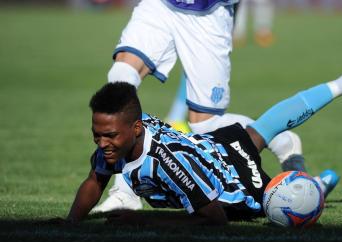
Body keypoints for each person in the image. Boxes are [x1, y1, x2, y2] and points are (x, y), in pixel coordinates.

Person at [63, 53, 342, 225]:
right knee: (263, 127)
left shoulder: (165, 164)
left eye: (109, 135)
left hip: (233, 186)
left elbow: (213, 217)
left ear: (135, 129)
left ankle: (315, 190)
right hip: (213, 147)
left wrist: (145, 220)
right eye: (97, 135)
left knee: (282, 203)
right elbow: (95, 179)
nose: (102, 142)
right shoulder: (118, 137)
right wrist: (71, 221)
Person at [92, 0, 309, 214]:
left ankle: (282, 141)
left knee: (206, 125)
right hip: (161, 5)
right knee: (120, 79)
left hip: (209, 10)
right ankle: (124, 194)